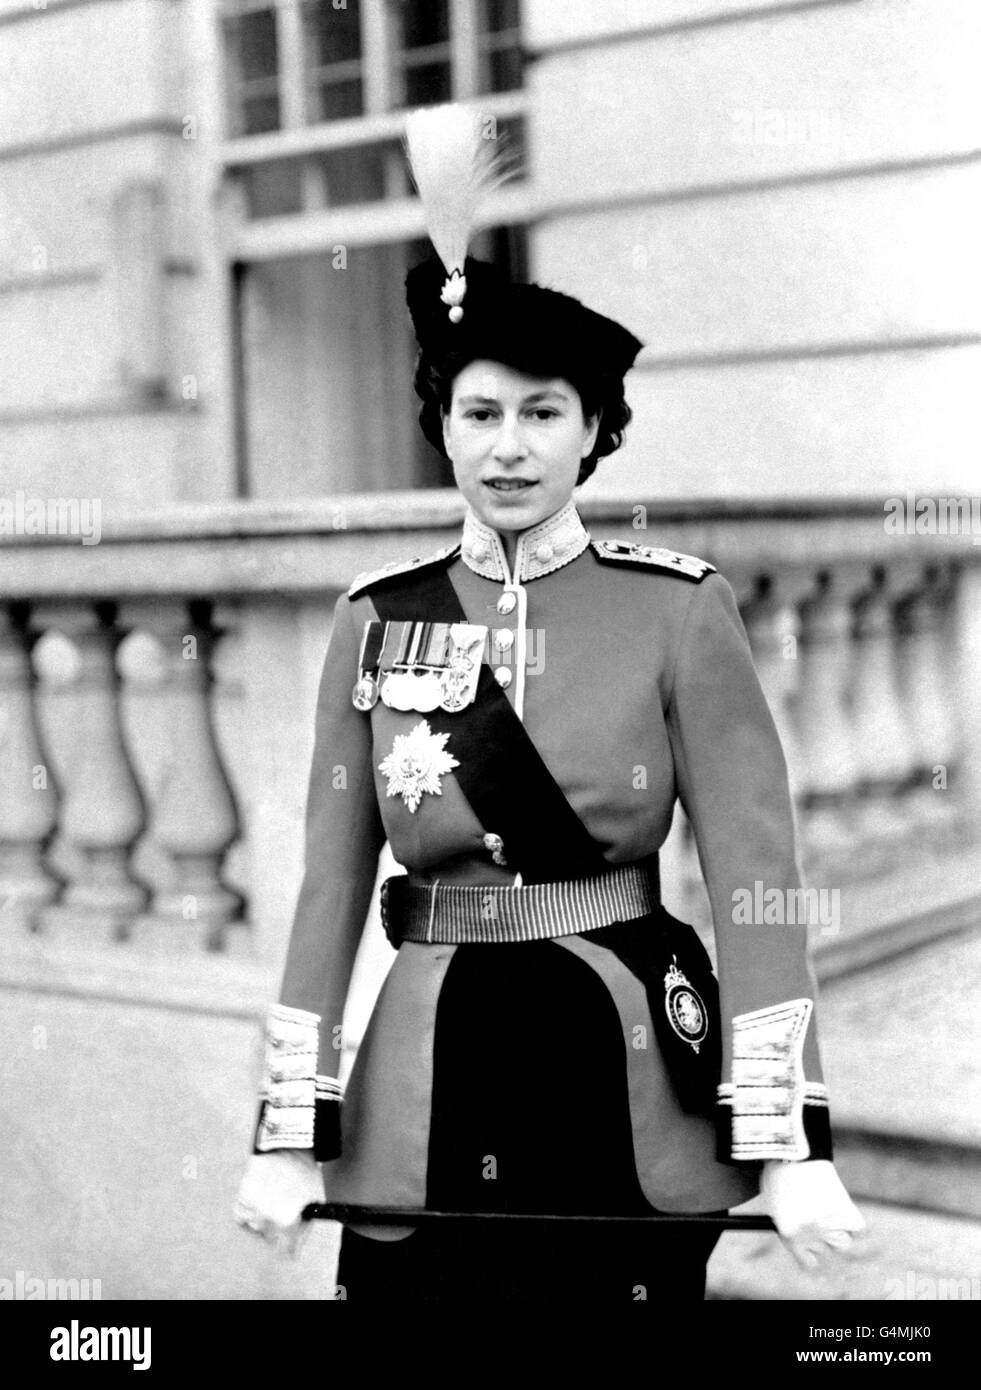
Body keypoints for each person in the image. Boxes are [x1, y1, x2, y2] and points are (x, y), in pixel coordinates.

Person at [234, 105, 864, 1301]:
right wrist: (282, 1129)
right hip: (423, 1075)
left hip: (619, 1068)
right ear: (443, 430)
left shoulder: (678, 610)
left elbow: (755, 883)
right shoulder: (375, 615)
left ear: (593, 436)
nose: (508, 448)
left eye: (542, 415)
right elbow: (326, 892)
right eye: (480, 414)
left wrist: (787, 1146)